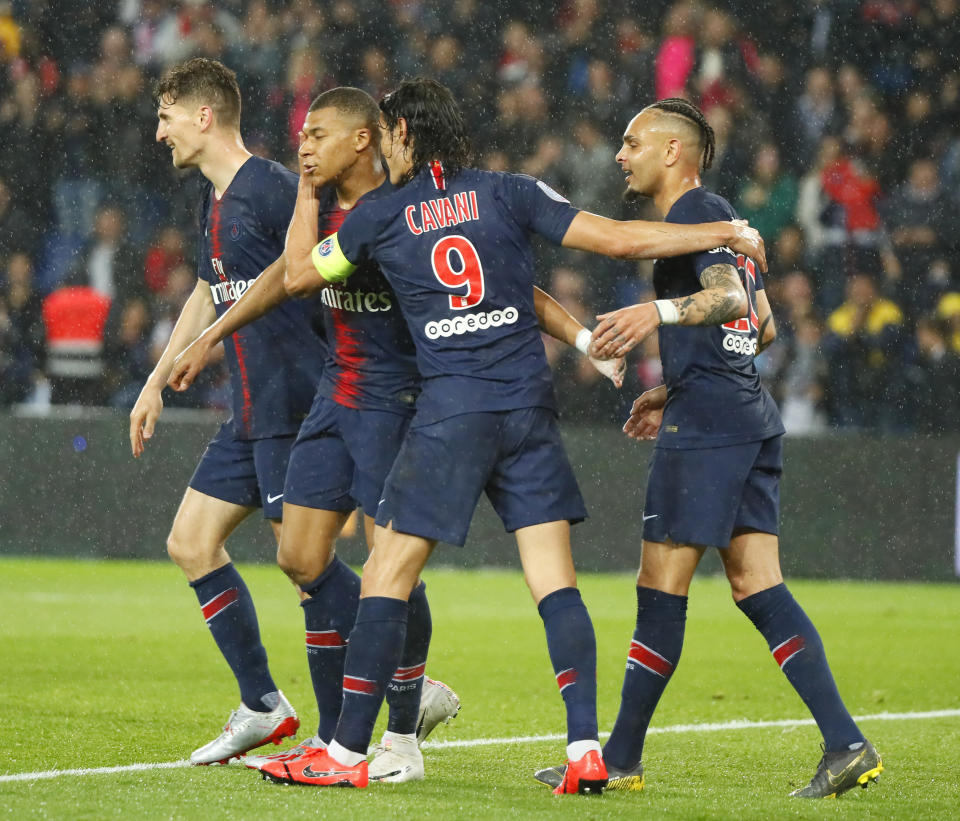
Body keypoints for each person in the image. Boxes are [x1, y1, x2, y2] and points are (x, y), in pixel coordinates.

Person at [275, 78, 767, 794]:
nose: (381, 144)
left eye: (386, 133)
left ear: (405, 134)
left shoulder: (379, 215)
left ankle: (347, 753)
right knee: (554, 582)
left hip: (451, 412)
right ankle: (583, 751)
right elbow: (619, 239)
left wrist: (307, 193)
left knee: (386, 572)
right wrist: (722, 232)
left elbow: (296, 275)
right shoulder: (510, 191)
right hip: (527, 410)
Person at [533, 98, 882, 798]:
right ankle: (845, 741)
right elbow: (763, 327)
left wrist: (655, 312)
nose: (621, 154)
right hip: (745, 413)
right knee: (758, 584)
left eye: (633, 143)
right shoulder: (719, 219)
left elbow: (726, 303)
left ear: (672, 153)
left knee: (659, 591)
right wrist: (680, 382)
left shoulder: (694, 215)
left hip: (710, 430)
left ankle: (621, 758)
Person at [167, 86, 466, 783]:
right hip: (335, 395)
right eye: (302, 134)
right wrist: (210, 335)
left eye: (319, 134)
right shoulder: (324, 204)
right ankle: (405, 687)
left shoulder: (400, 211)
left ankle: (401, 730)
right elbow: (281, 274)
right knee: (300, 558)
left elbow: (301, 275)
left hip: (392, 403)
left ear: (363, 140)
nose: (303, 146)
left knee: (391, 565)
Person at [129, 57, 325, 765]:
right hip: (247, 410)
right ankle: (265, 704)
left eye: (166, 116)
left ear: (203, 116)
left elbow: (321, 272)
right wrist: (156, 380)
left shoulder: (274, 189)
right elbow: (211, 291)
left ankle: (403, 681)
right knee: (190, 541)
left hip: (294, 405)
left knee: (308, 566)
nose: (160, 133)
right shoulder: (210, 200)